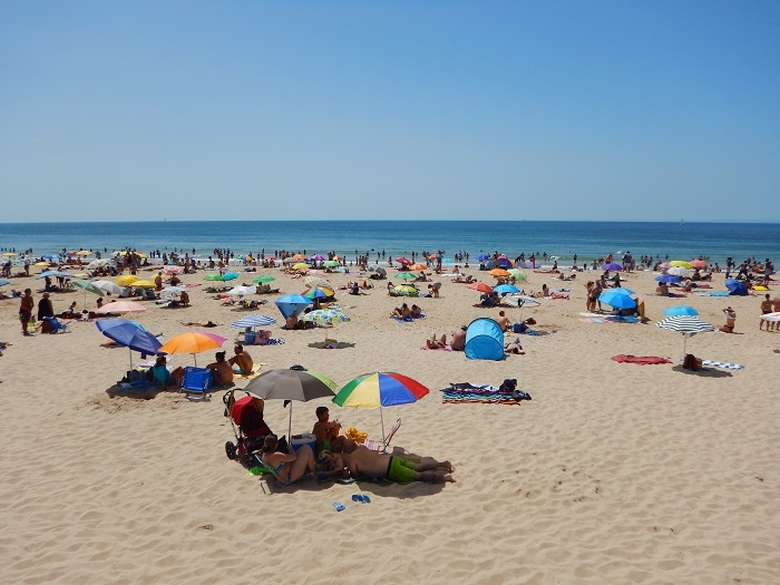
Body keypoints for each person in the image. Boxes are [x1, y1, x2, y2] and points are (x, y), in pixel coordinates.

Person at [333, 444, 454, 483]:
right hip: (391, 459)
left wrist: (346, 473)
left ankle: (445, 478)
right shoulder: (361, 447)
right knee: (418, 467)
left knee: (419, 476)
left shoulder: (353, 462)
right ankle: (443, 464)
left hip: (390, 469)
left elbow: (356, 475)